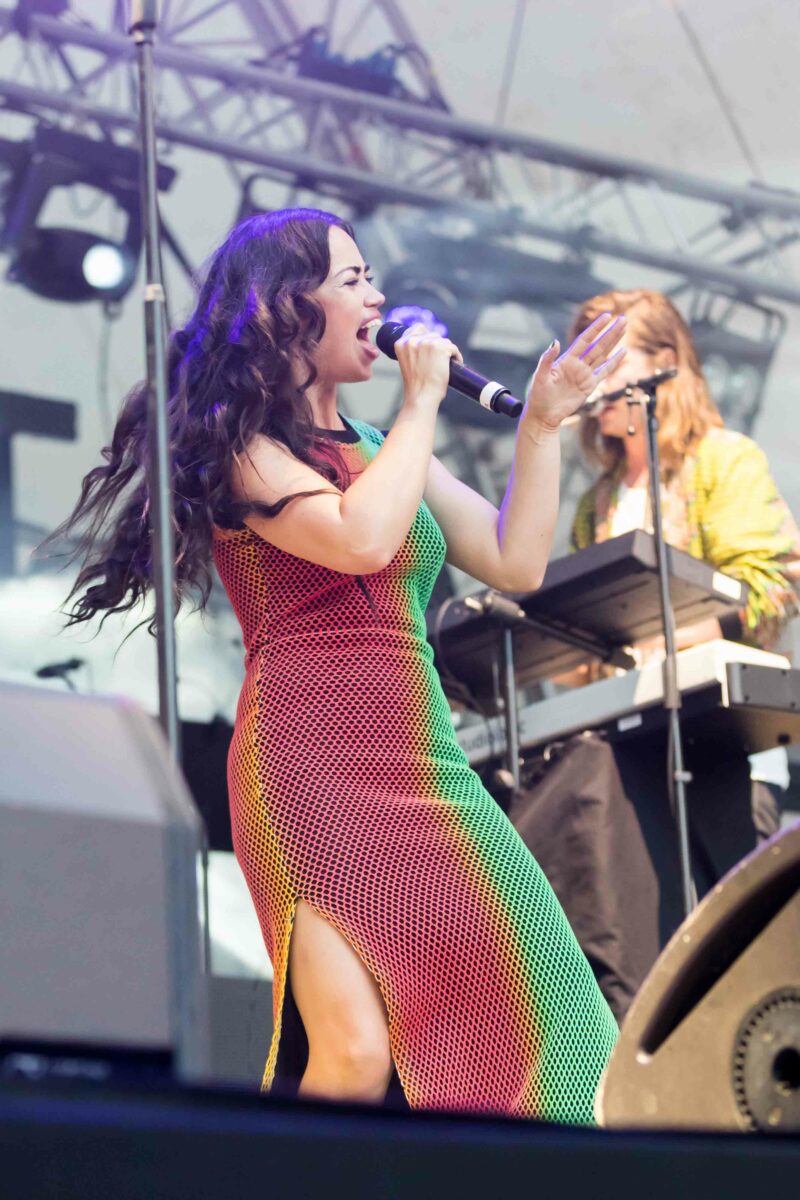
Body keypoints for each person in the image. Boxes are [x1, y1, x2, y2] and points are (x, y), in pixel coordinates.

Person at [54, 208, 625, 1122]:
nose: (378, 298)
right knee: (354, 1057)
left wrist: (544, 426)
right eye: (354, 280)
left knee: (556, 1020)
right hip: (308, 765)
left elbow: (516, 560)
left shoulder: (380, 446)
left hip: (422, 760)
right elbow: (360, 540)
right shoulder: (246, 451)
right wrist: (421, 402)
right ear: (286, 308)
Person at [509, 288, 800, 1023]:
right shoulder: (598, 499)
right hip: (626, 754)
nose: (594, 379)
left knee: (725, 967)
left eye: (610, 359)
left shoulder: (722, 460)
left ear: (665, 365)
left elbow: (774, 585)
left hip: (722, 744)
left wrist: (674, 632)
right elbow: (597, 643)